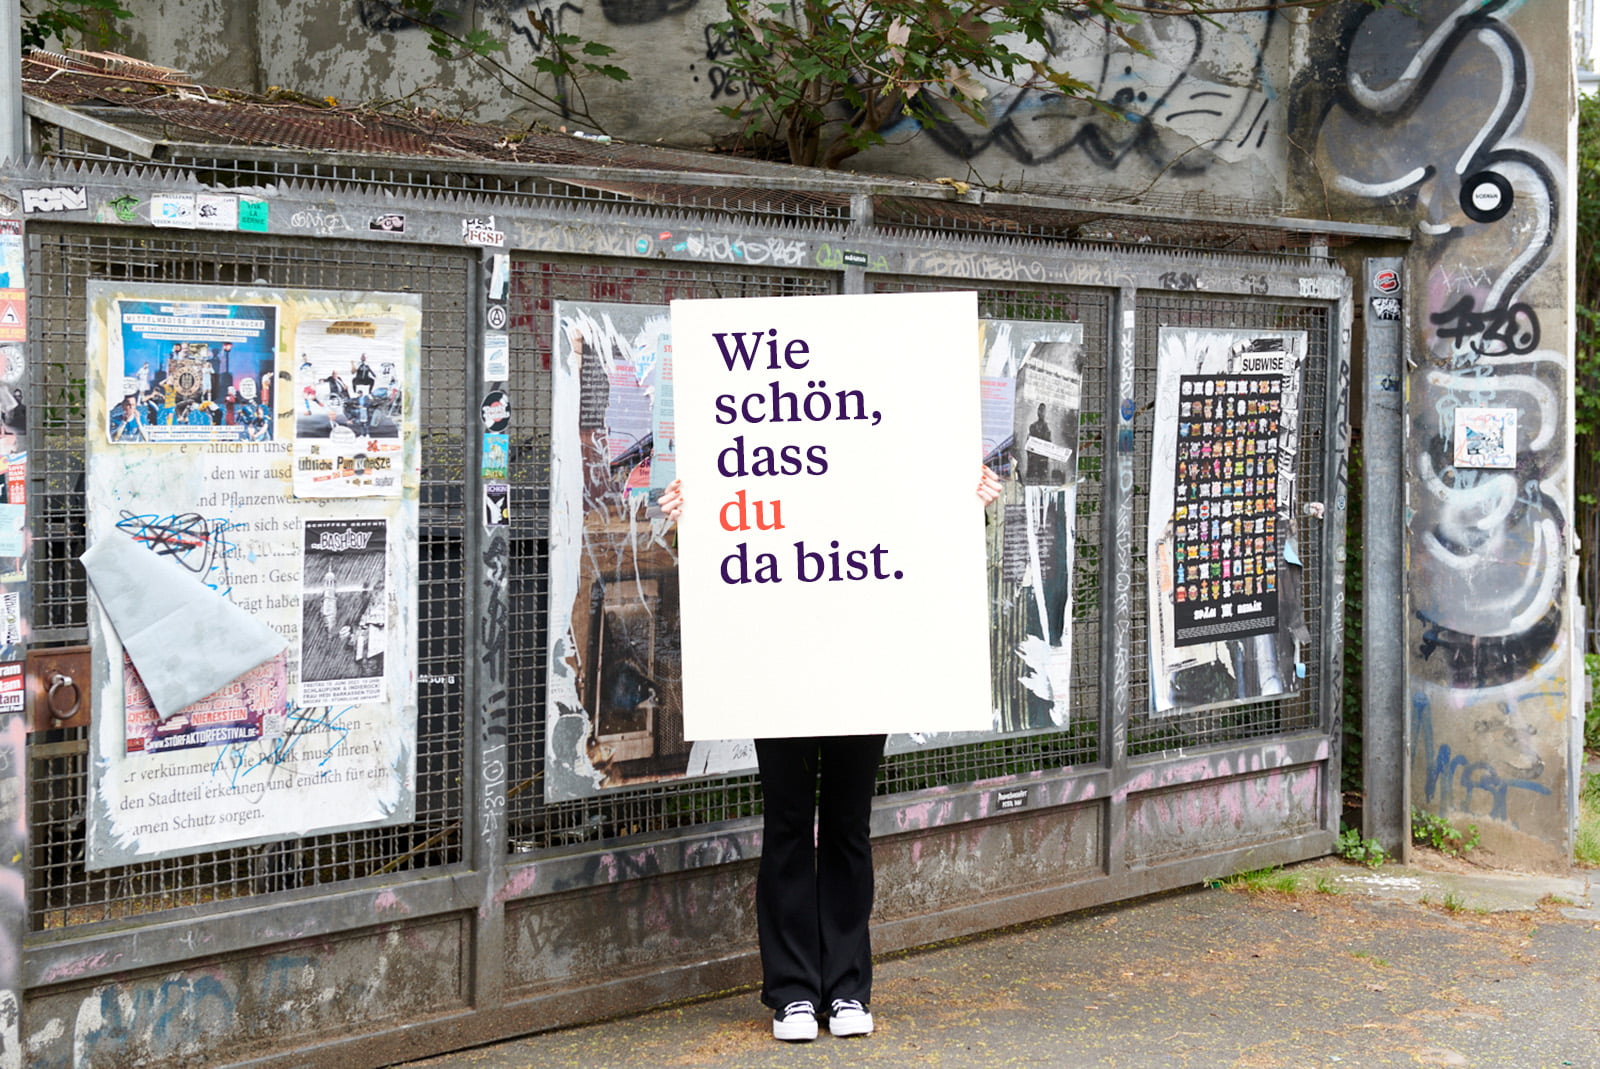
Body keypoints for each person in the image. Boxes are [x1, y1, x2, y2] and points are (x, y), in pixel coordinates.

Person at [658, 465, 1003, 1043]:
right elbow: (731, 539)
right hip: (778, 657)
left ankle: (846, 987)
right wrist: (690, 519)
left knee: (846, 823)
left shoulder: (877, 440)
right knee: (789, 822)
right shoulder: (777, 434)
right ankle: (793, 992)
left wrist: (967, 504)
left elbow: (918, 532)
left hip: (861, 659)